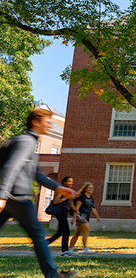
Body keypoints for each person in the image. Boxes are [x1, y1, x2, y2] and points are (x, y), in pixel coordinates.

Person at [0, 107, 79, 278]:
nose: (50, 125)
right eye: (47, 121)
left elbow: (36, 174)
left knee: (37, 235)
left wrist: (59, 188)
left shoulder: (28, 142)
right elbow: (10, 167)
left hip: (10, 199)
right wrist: (2, 195)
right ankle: (53, 275)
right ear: (35, 122)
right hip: (17, 198)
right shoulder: (26, 142)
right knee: (38, 235)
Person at [69, 182, 101, 253]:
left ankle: (70, 249)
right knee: (87, 231)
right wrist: (74, 218)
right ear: (85, 188)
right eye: (89, 188)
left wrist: (97, 217)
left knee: (77, 233)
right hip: (80, 216)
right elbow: (76, 208)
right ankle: (85, 248)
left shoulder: (90, 198)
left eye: (92, 188)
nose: (91, 189)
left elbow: (93, 208)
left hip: (86, 217)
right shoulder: (81, 197)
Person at [47, 176, 75, 256]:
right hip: (60, 212)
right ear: (64, 182)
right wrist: (65, 198)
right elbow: (55, 201)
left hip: (64, 212)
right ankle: (64, 251)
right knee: (66, 231)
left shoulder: (69, 191)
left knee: (60, 232)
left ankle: (43, 244)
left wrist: (76, 212)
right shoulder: (62, 191)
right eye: (69, 181)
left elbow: (71, 204)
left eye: (72, 181)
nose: (71, 183)